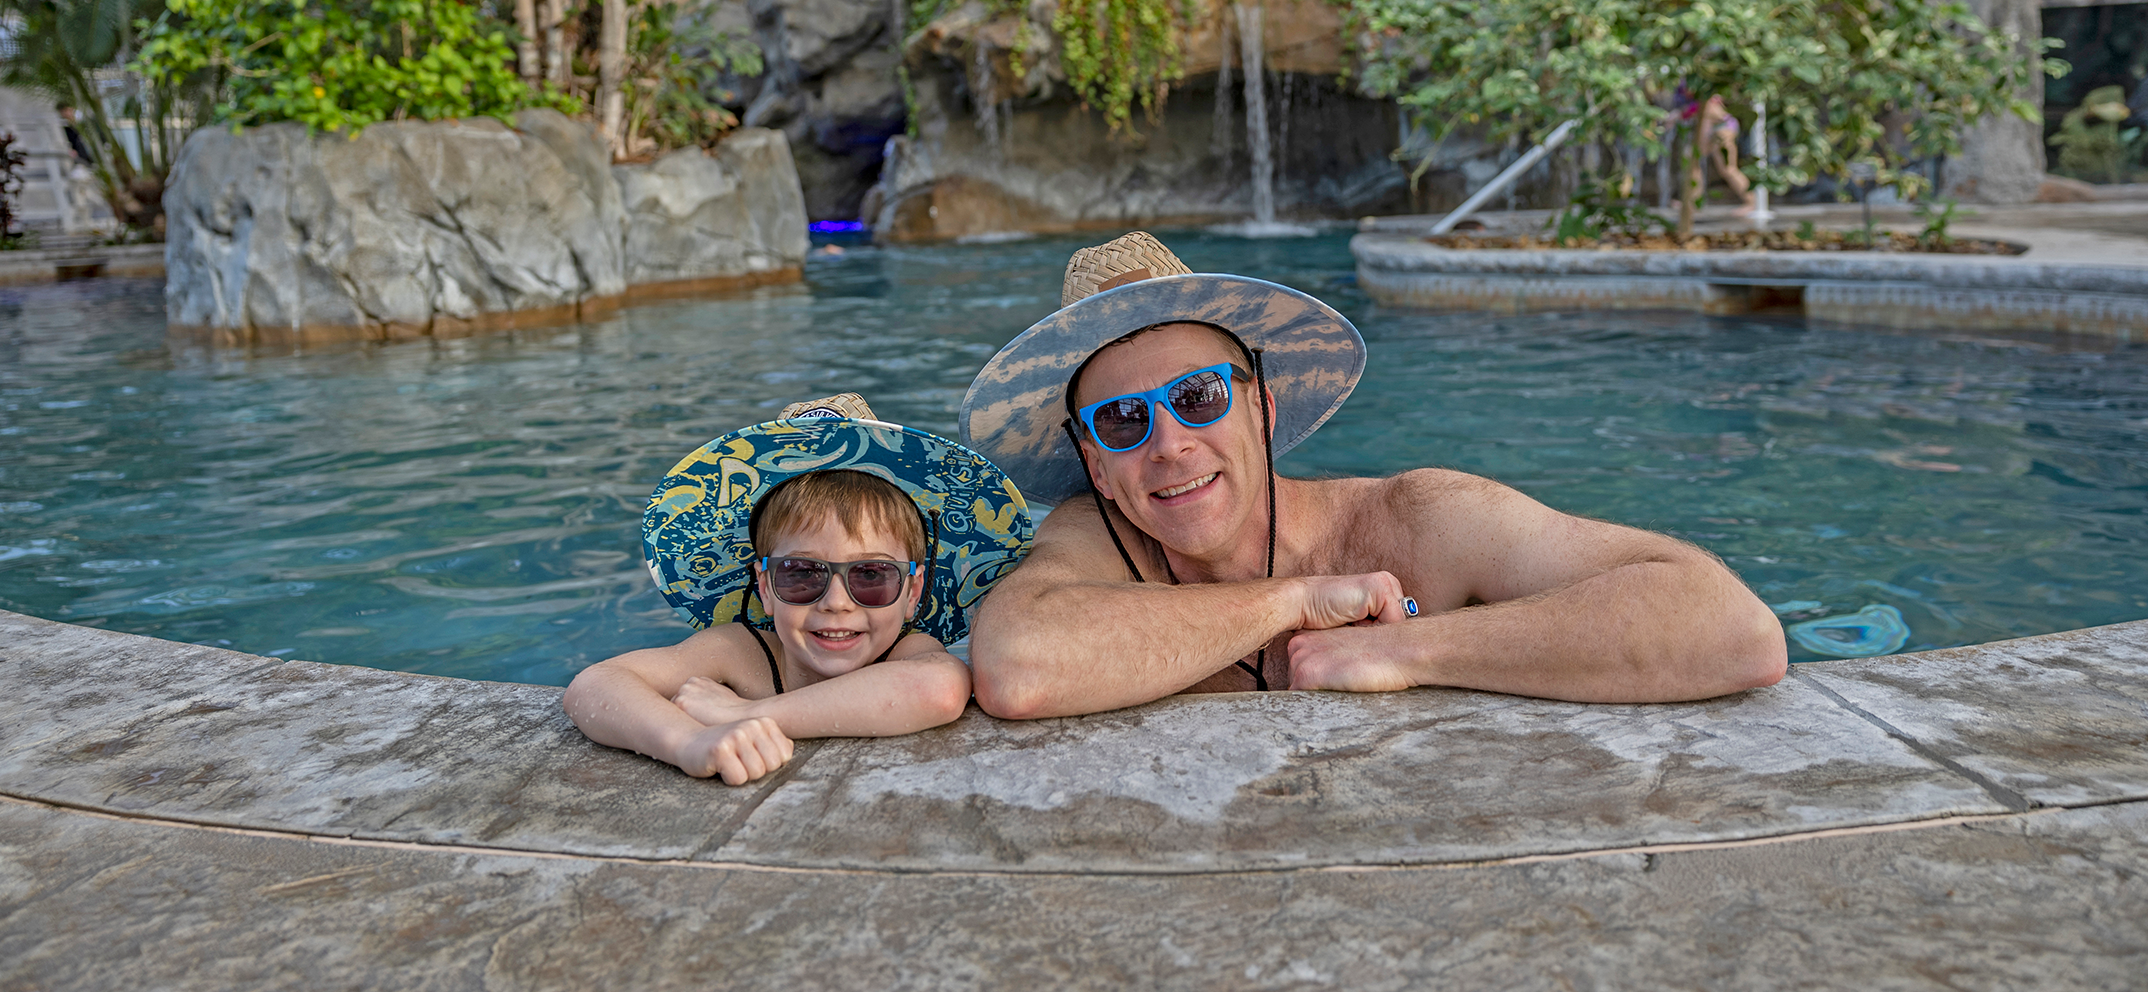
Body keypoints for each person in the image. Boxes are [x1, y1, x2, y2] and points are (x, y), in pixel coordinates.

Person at [960, 232, 1787, 719]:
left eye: (1199, 395)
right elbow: (1018, 665)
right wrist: (1294, 602)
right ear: (1099, 469)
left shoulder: (1416, 518)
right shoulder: (1096, 538)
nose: (1169, 444)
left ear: (1263, 412)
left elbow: (1733, 630)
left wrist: (1408, 649)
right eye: (1124, 419)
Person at [565, 393, 1034, 782]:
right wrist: (687, 742)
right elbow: (594, 685)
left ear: (913, 591)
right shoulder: (742, 651)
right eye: (802, 574)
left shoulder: (909, 651)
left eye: (870, 575)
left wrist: (745, 715)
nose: (835, 603)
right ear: (764, 586)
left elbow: (939, 690)